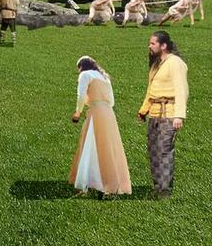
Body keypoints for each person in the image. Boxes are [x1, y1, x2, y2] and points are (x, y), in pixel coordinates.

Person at [69, 56, 131, 195]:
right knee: (108, 147)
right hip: (109, 114)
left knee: (91, 144)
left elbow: (81, 95)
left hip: (96, 112)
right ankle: (109, 181)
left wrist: (78, 112)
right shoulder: (105, 78)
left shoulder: (85, 75)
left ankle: (91, 181)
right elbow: (112, 101)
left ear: (81, 67)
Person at [138, 31, 188, 198]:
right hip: (154, 114)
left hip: (169, 114)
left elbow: (181, 90)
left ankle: (164, 190)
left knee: (164, 150)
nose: (149, 46)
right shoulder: (156, 64)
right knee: (153, 151)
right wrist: (144, 110)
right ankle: (157, 186)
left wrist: (179, 116)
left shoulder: (175, 63)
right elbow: (151, 90)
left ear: (163, 45)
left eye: (152, 43)